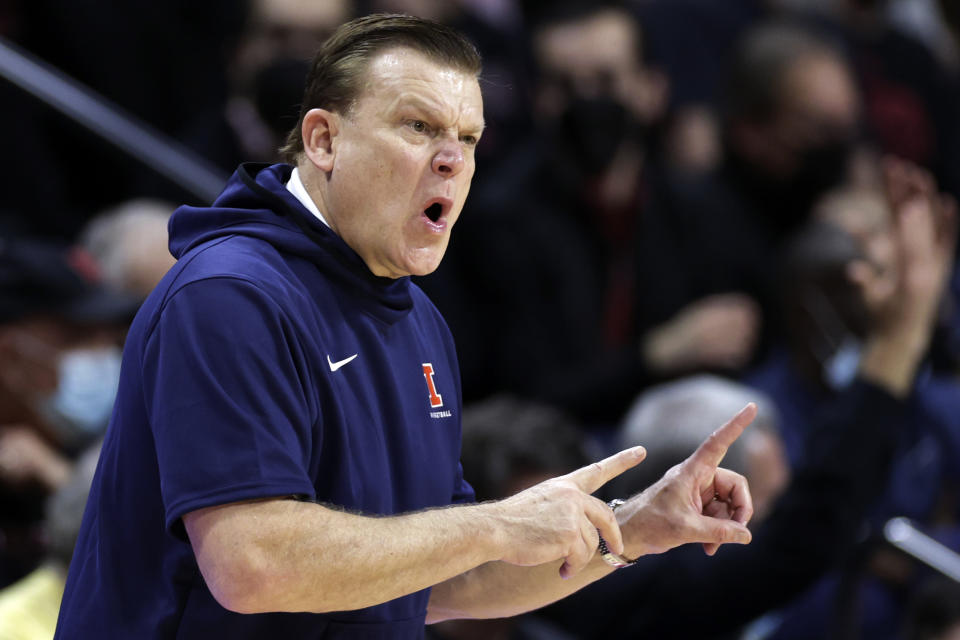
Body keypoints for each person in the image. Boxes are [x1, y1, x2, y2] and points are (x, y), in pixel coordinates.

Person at [55, 14, 756, 639]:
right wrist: (495, 524)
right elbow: (252, 564)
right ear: (324, 141)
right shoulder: (230, 296)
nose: (451, 159)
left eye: (469, 137)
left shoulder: (418, 319)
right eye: (418, 127)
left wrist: (630, 530)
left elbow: (443, 580)